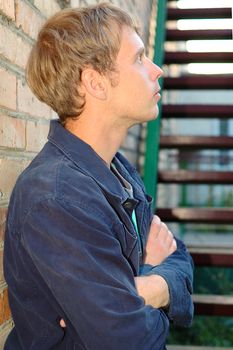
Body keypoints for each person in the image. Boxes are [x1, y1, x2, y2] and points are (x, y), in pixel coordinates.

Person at [3, 3, 194, 349]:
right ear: (95, 83)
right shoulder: (56, 198)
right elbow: (129, 339)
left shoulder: (116, 171)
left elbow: (179, 256)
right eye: (138, 58)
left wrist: (144, 289)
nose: (157, 70)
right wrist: (156, 279)